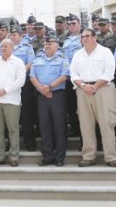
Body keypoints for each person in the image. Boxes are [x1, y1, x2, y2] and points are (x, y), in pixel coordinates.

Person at [70, 28, 116, 168]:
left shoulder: (105, 52)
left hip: (103, 89)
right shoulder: (77, 55)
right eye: (82, 37)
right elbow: (73, 74)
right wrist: (84, 85)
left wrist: (95, 86)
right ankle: (88, 156)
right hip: (83, 90)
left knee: (106, 123)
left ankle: (111, 157)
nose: (84, 39)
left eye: (87, 36)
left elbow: (109, 72)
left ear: (94, 37)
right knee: (86, 124)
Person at [0, 39, 26, 167]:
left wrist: (5, 90)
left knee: (13, 129)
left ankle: (13, 156)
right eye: (1, 46)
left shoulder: (18, 62)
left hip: (11, 100)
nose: (3, 48)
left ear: (12, 48)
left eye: (6, 46)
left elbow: (20, 81)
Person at [30, 34, 70, 167]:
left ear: (57, 45)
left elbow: (65, 75)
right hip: (42, 95)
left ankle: (59, 157)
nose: (47, 45)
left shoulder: (63, 58)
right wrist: (42, 89)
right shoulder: (38, 57)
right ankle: (47, 156)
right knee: (44, 126)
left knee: (59, 126)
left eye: (50, 43)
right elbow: (32, 76)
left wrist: (50, 87)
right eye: (46, 43)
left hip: (57, 95)